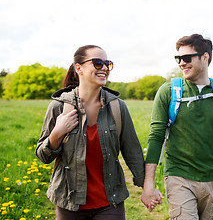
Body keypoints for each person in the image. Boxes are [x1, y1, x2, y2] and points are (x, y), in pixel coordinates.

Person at [36, 45, 151, 220]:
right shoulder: (59, 107)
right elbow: (43, 156)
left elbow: (132, 151)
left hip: (109, 203)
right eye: (97, 63)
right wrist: (57, 133)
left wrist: (147, 187)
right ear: (78, 68)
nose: (104, 68)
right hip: (69, 203)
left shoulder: (117, 107)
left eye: (107, 63)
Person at [141, 34, 213, 219]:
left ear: (205, 57)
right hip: (178, 176)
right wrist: (148, 184)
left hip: (212, 178)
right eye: (178, 59)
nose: (181, 63)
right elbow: (156, 137)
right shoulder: (168, 92)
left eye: (187, 58)